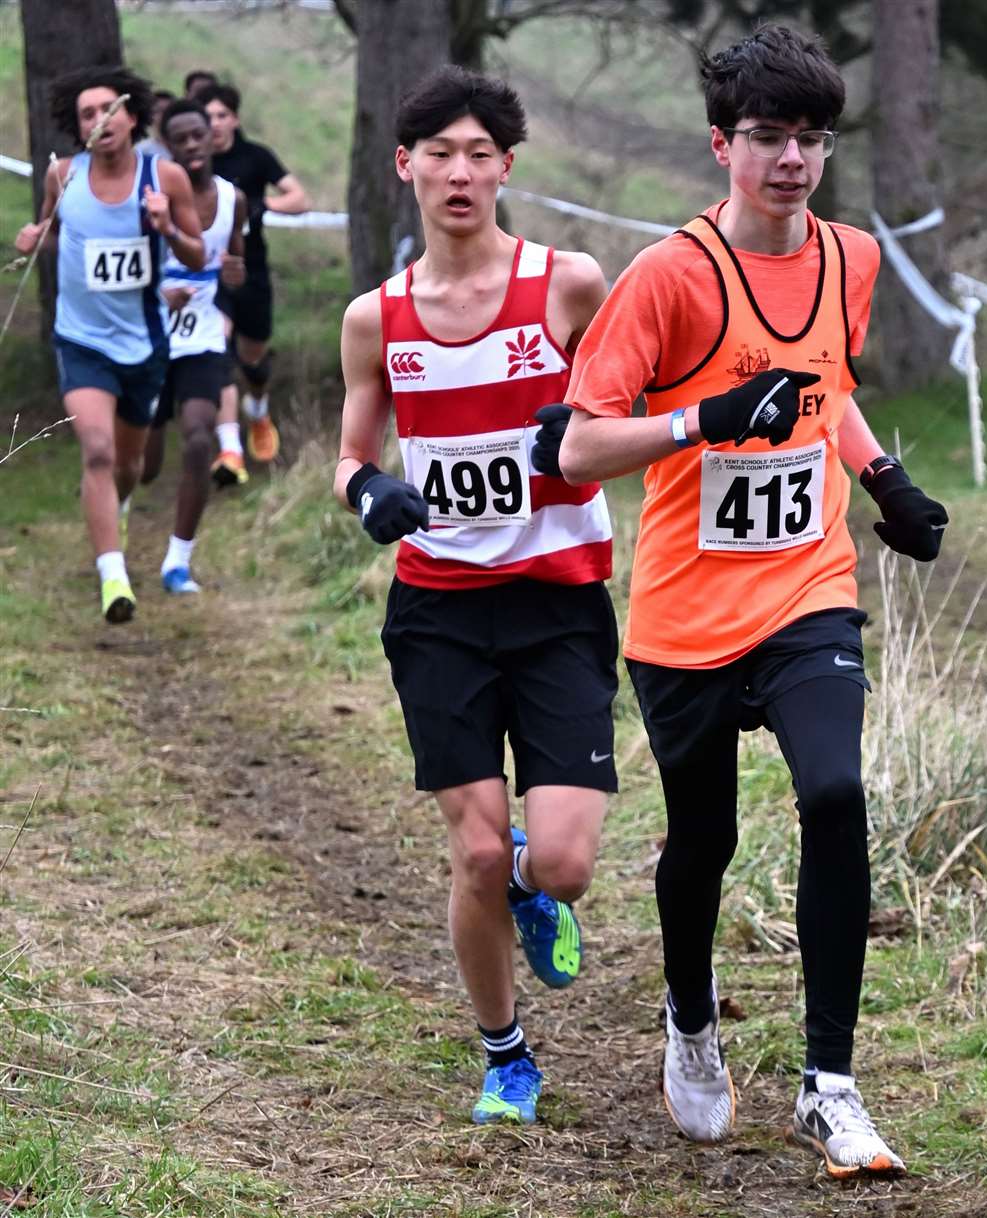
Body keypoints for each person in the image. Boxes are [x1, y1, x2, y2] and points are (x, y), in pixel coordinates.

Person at [558, 25, 948, 1178]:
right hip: (684, 608)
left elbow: (827, 395)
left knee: (835, 791)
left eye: (812, 139)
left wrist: (883, 478)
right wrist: (702, 422)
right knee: (708, 839)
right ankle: (690, 1016)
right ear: (722, 144)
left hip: (806, 585)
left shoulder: (853, 259)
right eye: (769, 137)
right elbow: (581, 449)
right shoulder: (669, 277)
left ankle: (830, 1086)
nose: (791, 159)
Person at [334, 65, 617, 1126]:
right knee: (478, 850)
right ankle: (505, 1055)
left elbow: (625, 406)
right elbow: (351, 451)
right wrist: (369, 490)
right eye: (439, 154)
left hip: (559, 599)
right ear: (404, 166)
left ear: (507, 166)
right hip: (440, 607)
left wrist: (581, 439)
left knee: (562, 861)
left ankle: (541, 896)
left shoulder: (569, 283)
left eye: (480, 154)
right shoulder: (378, 318)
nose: (460, 172)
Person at [14, 65, 204, 623]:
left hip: (143, 345)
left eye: (109, 109)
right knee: (95, 450)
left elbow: (197, 257)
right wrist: (33, 239)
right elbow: (52, 229)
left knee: (132, 465)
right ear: (79, 129)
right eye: (88, 115)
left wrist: (167, 228)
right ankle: (113, 576)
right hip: (81, 340)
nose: (101, 121)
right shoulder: (64, 177)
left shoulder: (164, 177)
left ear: (133, 116)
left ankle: (116, 507)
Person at [140, 99, 247, 594]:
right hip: (149, 334)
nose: (190, 145)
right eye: (179, 139)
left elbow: (236, 268)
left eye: (197, 135)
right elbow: (132, 269)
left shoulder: (233, 200)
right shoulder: (149, 200)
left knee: (201, 437)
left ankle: (177, 560)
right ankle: (116, 513)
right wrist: (159, 290)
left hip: (202, 335)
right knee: (144, 466)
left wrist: (234, 273)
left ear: (212, 137)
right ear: (167, 147)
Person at [196, 82, 309, 476]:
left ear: (235, 119)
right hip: (208, 273)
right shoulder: (193, 161)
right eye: (207, 117)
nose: (214, 124)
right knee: (219, 356)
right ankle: (230, 452)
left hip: (253, 269)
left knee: (252, 360)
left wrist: (265, 205)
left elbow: (300, 198)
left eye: (222, 116)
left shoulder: (255, 157)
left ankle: (258, 411)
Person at [135, 89, 174, 160]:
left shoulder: (185, 146)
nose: (164, 115)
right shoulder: (142, 150)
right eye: (159, 111)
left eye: (168, 110)